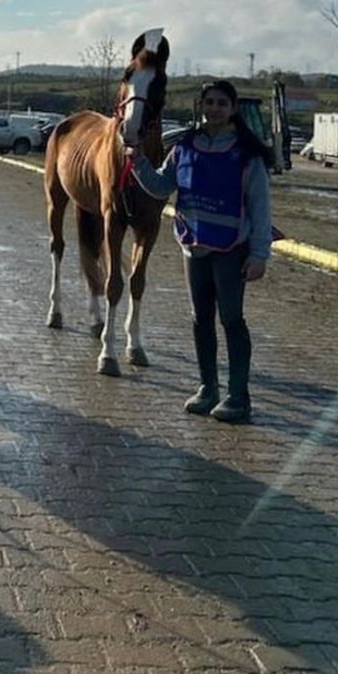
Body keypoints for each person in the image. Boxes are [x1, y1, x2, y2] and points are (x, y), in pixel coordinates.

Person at [129, 78, 272, 424]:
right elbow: (162, 185)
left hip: (232, 249)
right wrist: (137, 162)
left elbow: (260, 206)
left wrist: (259, 254)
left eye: (222, 103)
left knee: (232, 320)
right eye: (209, 102)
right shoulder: (185, 147)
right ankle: (208, 388)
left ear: (233, 109)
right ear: (201, 106)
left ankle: (238, 398)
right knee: (200, 320)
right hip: (193, 247)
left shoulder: (246, 154)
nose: (214, 109)